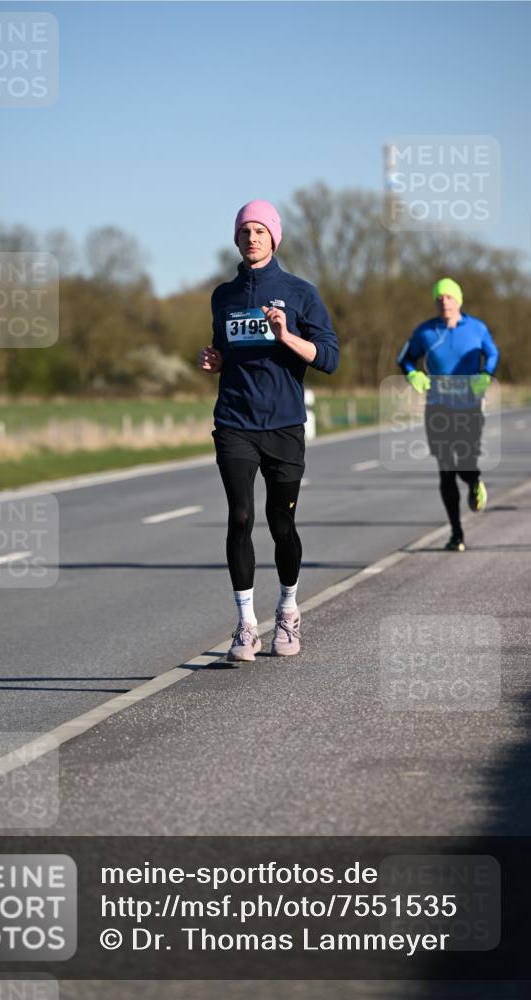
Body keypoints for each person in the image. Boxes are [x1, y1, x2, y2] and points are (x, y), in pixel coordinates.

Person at [199, 199, 339, 662]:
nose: (252, 238)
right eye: (245, 231)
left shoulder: (300, 293)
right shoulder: (224, 296)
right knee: (240, 516)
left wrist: (287, 336)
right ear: (236, 239)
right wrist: (215, 360)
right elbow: (224, 349)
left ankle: (288, 610)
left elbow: (329, 358)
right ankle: (245, 625)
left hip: (283, 425)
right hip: (235, 422)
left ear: (274, 238)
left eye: (260, 230)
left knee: (282, 524)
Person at [397, 277, 500, 552]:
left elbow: (493, 353)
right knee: (445, 469)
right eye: (439, 298)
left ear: (459, 300)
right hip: (438, 407)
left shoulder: (477, 328)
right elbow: (404, 358)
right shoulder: (425, 331)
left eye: (449, 297)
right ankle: (456, 533)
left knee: (465, 462)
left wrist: (486, 375)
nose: (444, 302)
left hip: (469, 407)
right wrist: (413, 374)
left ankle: (474, 481)